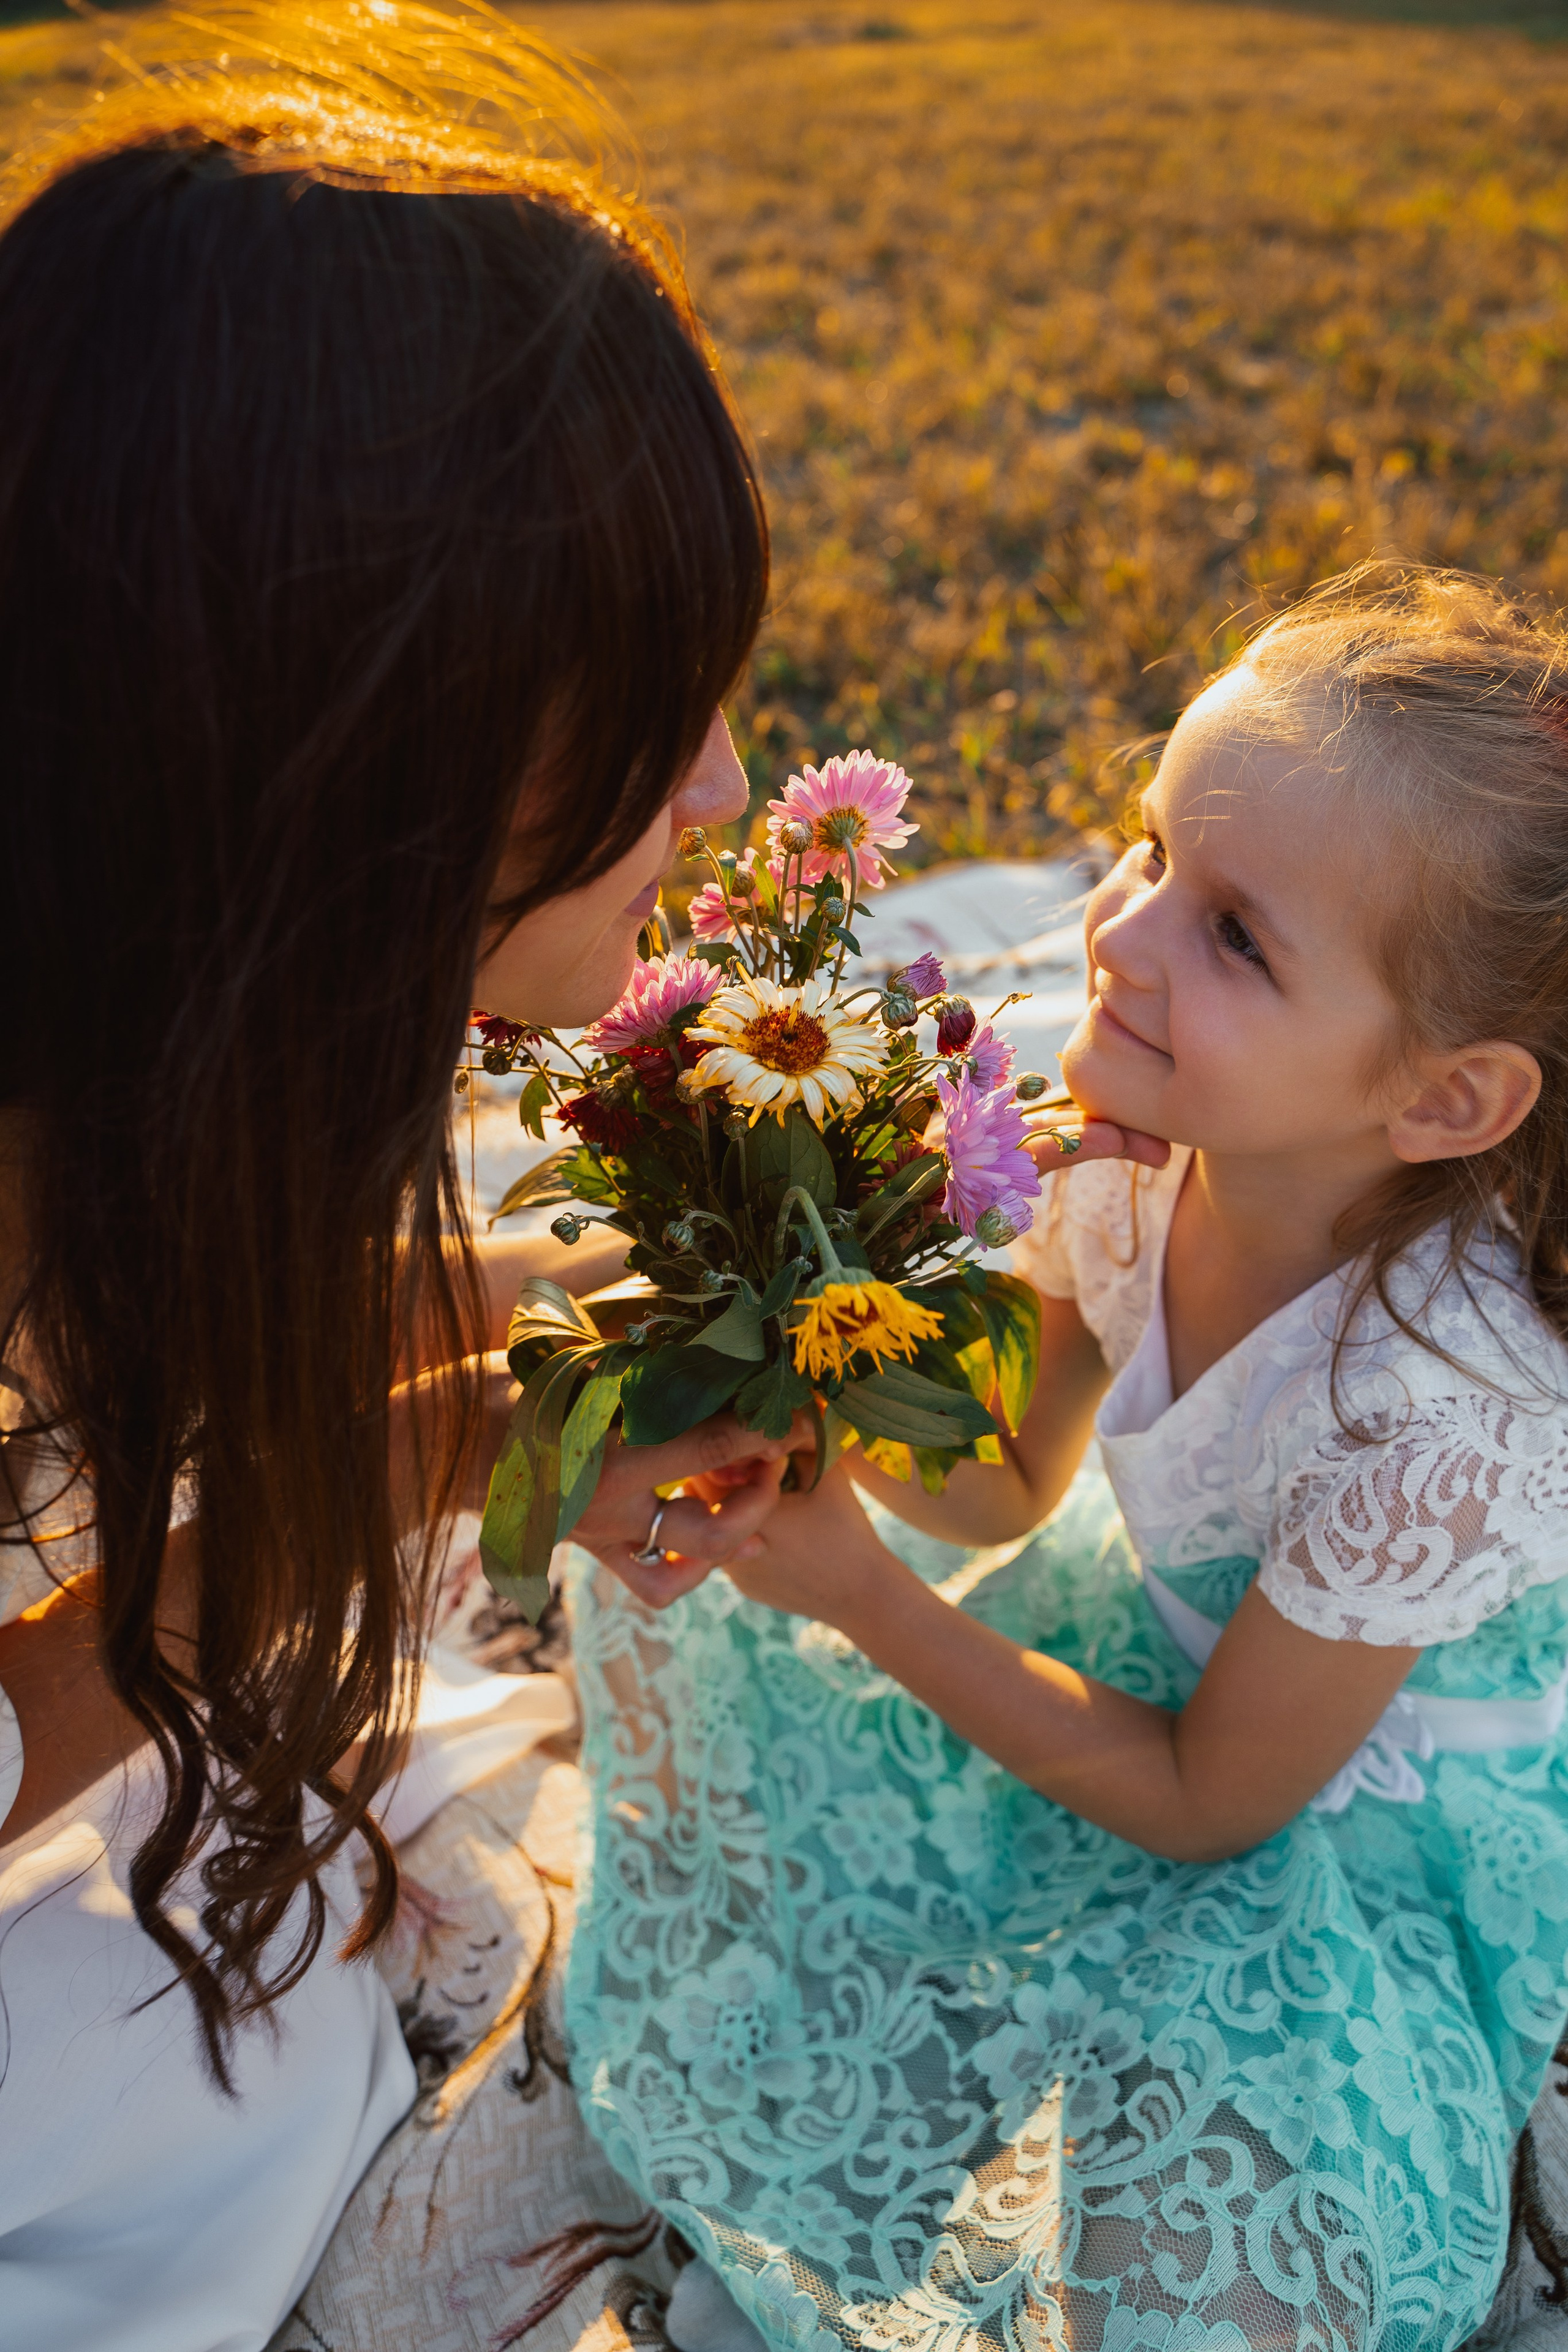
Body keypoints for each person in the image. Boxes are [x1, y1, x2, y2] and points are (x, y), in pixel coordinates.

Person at [0, 9, 804, 2346]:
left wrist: (552, 1288)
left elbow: (142, 1293)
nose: (734, 796)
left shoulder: (112, 1003)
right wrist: (486, 1438)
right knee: (199, 2080)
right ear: (357, 774)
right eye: (657, 726)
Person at [565, 566, 1568, 2352]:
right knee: (699, 1620)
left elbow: (1212, 1806)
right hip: (1165, 1657)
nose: (1122, 936)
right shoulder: (1128, 1150)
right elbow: (1008, 1479)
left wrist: (865, 1594)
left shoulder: (1440, 1412)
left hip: (1354, 1827)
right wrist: (822, 1407)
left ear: (1440, 1100)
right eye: (1151, 848)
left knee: (1199, 2273)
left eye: (1237, 937)